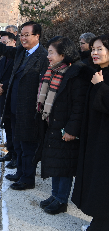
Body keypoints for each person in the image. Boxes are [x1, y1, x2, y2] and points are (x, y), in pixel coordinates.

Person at [0, 21, 49, 191]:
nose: (22, 38)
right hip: (14, 106)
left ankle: (28, 178)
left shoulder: (43, 57)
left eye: (26, 35)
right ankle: (20, 173)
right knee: (19, 143)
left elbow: (44, 86)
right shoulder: (22, 52)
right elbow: (4, 49)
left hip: (30, 110)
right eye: (21, 35)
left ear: (37, 36)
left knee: (28, 146)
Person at [34, 37, 93, 215]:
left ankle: (61, 200)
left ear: (63, 54)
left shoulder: (76, 74)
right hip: (54, 124)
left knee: (64, 166)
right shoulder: (53, 71)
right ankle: (54, 195)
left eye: (51, 52)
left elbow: (79, 106)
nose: (48, 56)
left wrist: (71, 130)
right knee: (56, 162)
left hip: (65, 127)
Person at [72, 34, 109, 230]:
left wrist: (101, 86)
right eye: (93, 49)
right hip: (95, 138)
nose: (94, 53)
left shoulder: (100, 78)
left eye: (99, 49)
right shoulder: (97, 72)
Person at [0, 32, 17, 169]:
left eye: (5, 43)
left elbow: (16, 77)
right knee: (7, 126)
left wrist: (3, 86)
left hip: (12, 97)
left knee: (14, 128)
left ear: (14, 42)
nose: (3, 46)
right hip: (3, 97)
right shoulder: (3, 59)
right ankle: (10, 151)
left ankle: (15, 156)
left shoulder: (18, 58)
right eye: (1, 43)